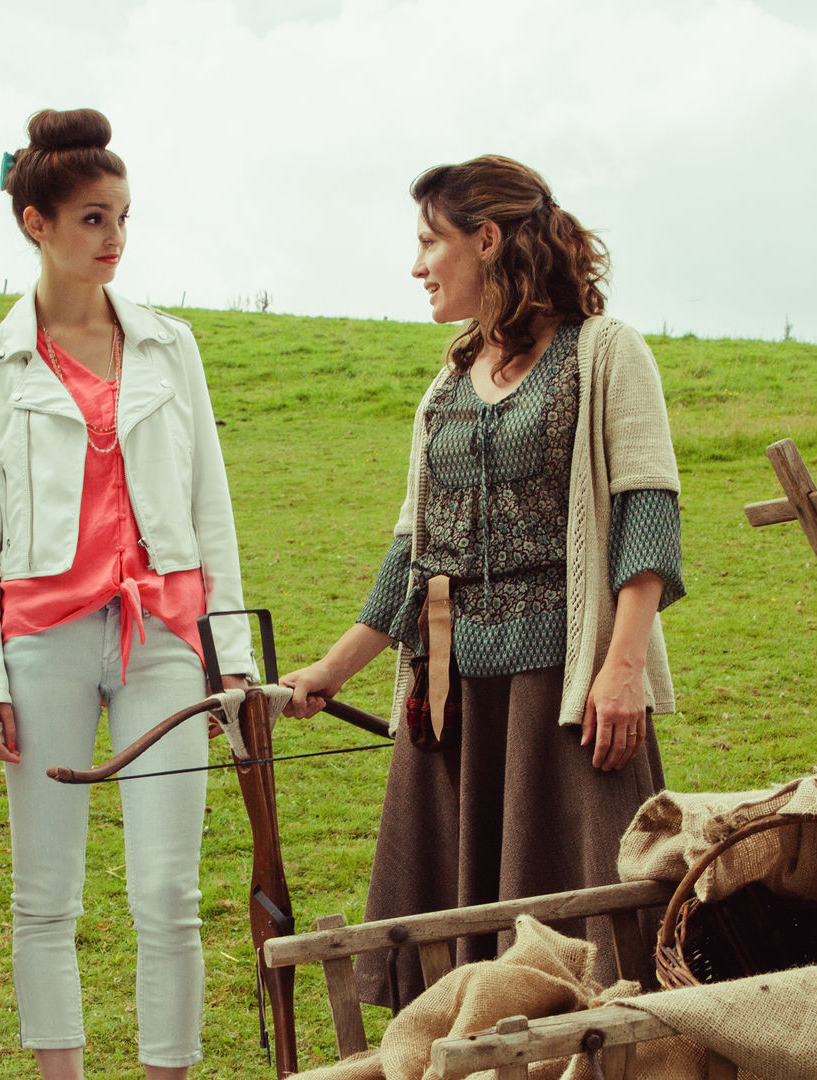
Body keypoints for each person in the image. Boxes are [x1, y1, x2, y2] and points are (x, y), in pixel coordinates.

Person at [280, 155, 686, 1009]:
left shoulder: (604, 352)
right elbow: (414, 549)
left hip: (565, 692)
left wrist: (622, 670)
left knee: (596, 940)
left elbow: (647, 516)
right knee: (458, 940)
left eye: (431, 242)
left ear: (488, 239)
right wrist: (332, 668)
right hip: (454, 695)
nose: (418, 265)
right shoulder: (447, 382)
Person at [0, 107, 254, 1080]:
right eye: (92, 218)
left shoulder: (170, 347)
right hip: (41, 643)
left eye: (122, 216)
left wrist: (232, 658)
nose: (115, 236)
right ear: (35, 223)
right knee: (46, 898)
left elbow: (211, 507)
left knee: (168, 894)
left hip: (165, 638)